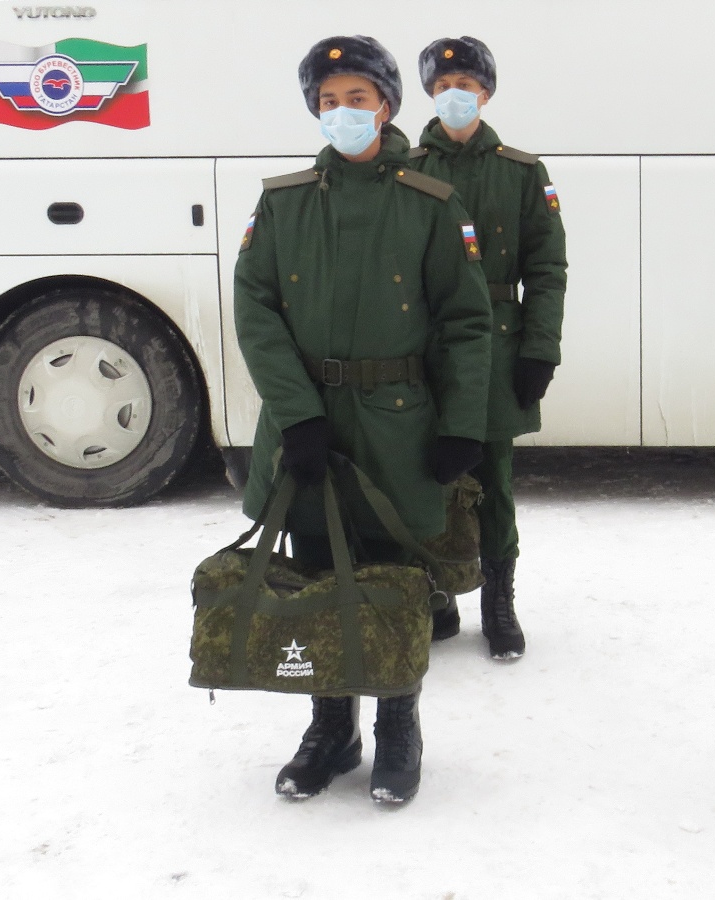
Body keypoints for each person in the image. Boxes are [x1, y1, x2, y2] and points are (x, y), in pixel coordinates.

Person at [232, 35, 492, 805]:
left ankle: (398, 728)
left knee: (394, 582)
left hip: (397, 427)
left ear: (385, 106)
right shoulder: (283, 203)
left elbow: (467, 323)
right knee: (318, 575)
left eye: (357, 98)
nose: (341, 112)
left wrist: (462, 425)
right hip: (309, 427)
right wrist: (298, 416)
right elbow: (255, 310)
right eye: (328, 100)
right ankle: (330, 732)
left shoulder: (430, 203)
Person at [407, 36, 568, 661]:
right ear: (429, 93)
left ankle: (498, 603)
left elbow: (547, 268)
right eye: (443, 86)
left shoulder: (522, 172)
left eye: (467, 85)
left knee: (494, 481)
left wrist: (540, 349)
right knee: (421, 472)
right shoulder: (407, 168)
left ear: (487, 93)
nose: (455, 95)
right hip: (424, 347)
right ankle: (436, 594)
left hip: (499, 348)